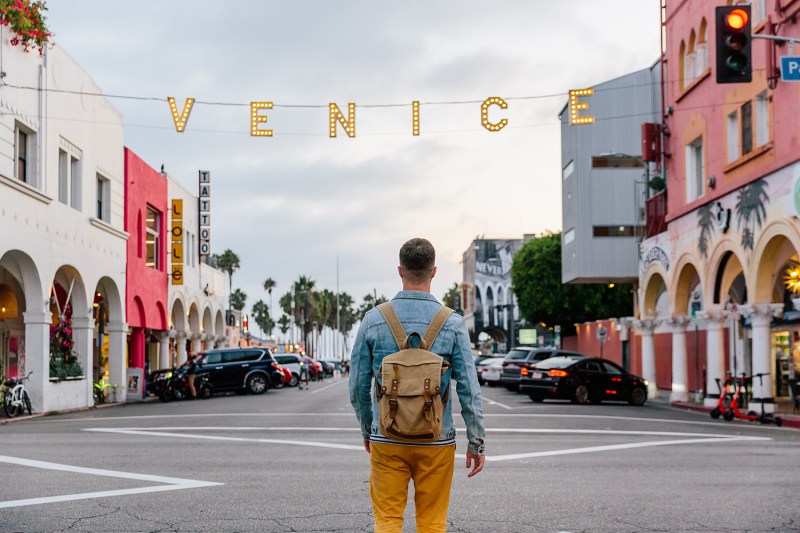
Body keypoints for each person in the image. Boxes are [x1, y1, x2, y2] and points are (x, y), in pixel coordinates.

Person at [349, 237, 485, 533]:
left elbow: (357, 387)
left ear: (400, 270)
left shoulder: (373, 320)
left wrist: (367, 429)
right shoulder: (453, 322)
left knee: (387, 522)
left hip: (387, 437)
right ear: (433, 271)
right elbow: (470, 390)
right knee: (432, 524)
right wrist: (476, 441)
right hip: (436, 439)